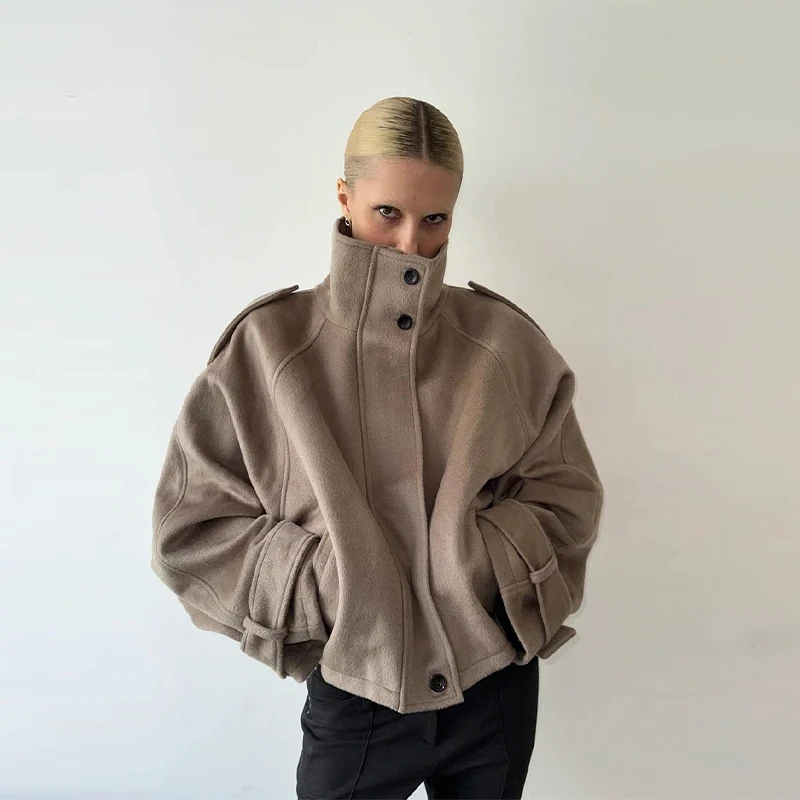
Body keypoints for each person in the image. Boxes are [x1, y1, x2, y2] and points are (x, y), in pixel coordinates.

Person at [151, 96, 604, 799]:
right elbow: (193, 527)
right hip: (356, 690)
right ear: (344, 196)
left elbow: (565, 494)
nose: (409, 244)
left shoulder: (504, 343)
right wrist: (333, 584)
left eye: (435, 219)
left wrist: (478, 562)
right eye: (387, 212)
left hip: (495, 683)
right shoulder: (269, 347)